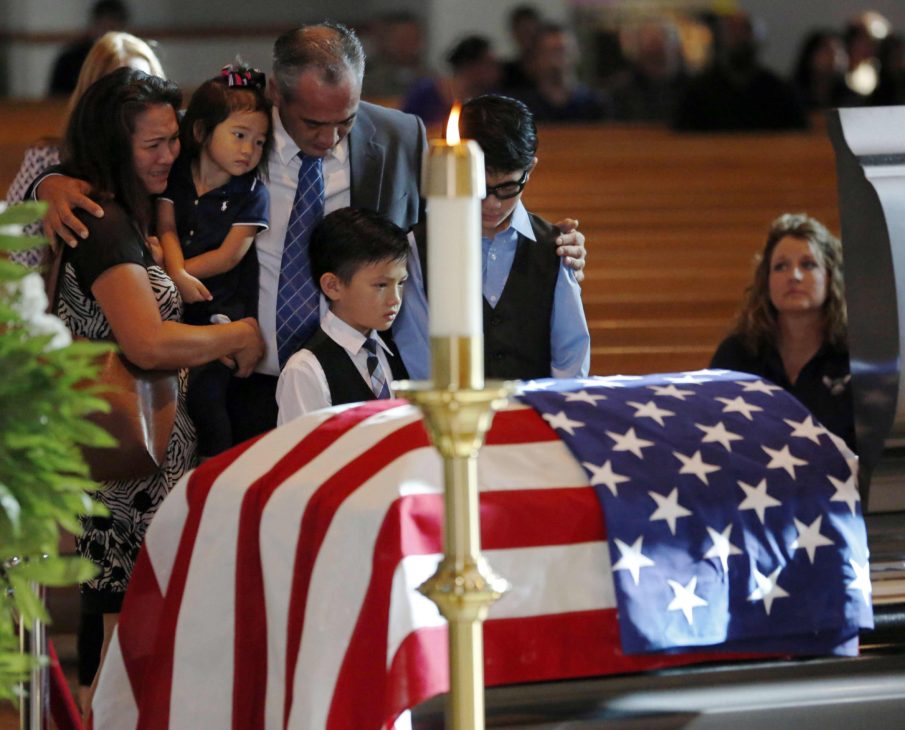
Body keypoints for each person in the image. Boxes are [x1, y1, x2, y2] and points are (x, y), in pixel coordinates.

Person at [35, 21, 588, 444]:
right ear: (277, 91)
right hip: (244, 376)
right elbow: (132, 154)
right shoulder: (232, 129)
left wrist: (550, 238)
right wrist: (52, 181)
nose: (328, 139)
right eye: (312, 124)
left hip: (361, 382)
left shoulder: (400, 137)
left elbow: (461, 215)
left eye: (344, 121)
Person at [55, 67, 264, 710]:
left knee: (137, 652)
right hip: (128, 476)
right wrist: (238, 335)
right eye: (152, 144)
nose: (169, 155)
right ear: (114, 145)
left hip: (143, 468)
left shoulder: (123, 212)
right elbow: (145, 343)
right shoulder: (105, 222)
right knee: (125, 662)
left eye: (173, 140)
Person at [155, 64, 273, 458]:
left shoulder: (253, 191)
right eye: (239, 135)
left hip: (219, 308)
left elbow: (229, 256)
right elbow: (166, 227)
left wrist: (180, 274)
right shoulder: (177, 176)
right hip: (172, 306)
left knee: (207, 396)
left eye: (259, 142)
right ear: (202, 131)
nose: (248, 150)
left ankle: (216, 466)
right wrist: (175, 275)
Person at [5, 31, 164, 267]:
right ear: (91, 98)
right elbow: (21, 252)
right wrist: (45, 185)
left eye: (143, 86)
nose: (133, 102)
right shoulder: (46, 158)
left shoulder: (171, 152)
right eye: (116, 89)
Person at [458, 94, 589, 379]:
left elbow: (571, 358)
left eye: (506, 188)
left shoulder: (553, 248)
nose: (492, 204)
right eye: (479, 187)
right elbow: (415, 352)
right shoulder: (425, 246)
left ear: (529, 170)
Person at [709, 213, 854, 449]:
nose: (794, 276)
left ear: (830, 277)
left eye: (808, 265)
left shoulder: (856, 356)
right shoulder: (737, 354)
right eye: (780, 267)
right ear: (766, 281)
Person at [276, 207, 410, 424]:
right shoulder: (306, 370)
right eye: (381, 285)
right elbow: (302, 453)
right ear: (332, 286)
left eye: (401, 283)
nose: (395, 299)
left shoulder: (390, 350)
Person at [673, 11, 806, 131]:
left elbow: (797, 131)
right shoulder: (698, 90)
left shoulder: (778, 88)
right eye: (731, 31)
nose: (738, 37)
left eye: (744, 30)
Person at [509, 23, 608, 123]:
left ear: (576, 54)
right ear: (536, 57)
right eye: (551, 52)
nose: (559, 59)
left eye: (563, 51)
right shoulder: (520, 109)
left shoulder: (595, 104)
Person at [402, 35, 502, 128]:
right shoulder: (425, 92)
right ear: (469, 65)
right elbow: (406, 127)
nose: (497, 69)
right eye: (489, 64)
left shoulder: (493, 99)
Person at [48, 0, 130, 96]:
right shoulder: (69, 60)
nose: (108, 35)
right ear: (94, 26)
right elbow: (55, 101)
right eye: (104, 27)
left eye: (113, 29)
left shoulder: (131, 60)